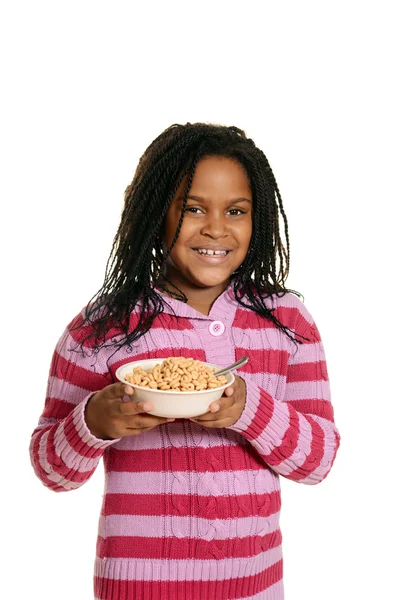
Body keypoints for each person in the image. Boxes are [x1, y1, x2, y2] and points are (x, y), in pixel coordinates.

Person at [30, 122, 340, 600]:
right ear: (156, 214)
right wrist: (94, 420)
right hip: (137, 589)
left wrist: (248, 411)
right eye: (193, 208)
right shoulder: (103, 327)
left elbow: (318, 461)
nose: (215, 228)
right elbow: (52, 470)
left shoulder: (286, 322)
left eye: (235, 211)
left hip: (255, 587)